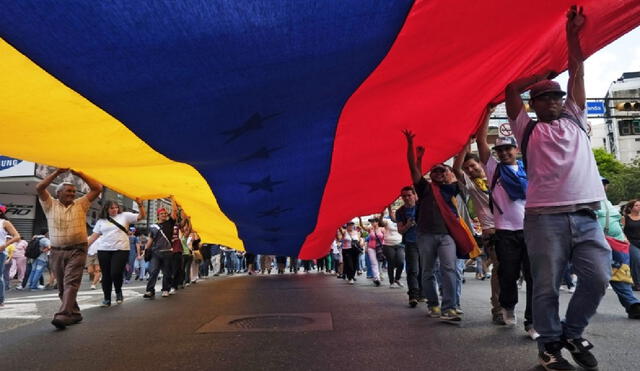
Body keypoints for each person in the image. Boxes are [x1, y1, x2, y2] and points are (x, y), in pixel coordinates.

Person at [505, 6, 610, 370]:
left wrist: (572, 35)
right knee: (546, 286)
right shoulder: (527, 130)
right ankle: (549, 346)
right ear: (533, 106)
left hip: (586, 217)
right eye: (544, 98)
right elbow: (509, 89)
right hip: (543, 220)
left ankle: (571, 331)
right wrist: (542, 75)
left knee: (598, 277)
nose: (552, 101)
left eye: (556, 96)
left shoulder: (577, 119)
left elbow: (578, 69)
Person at [476, 118, 537, 340]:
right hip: (505, 232)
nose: (503, 154)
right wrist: (487, 112)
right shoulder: (493, 171)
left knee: (533, 277)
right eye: (499, 151)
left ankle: (533, 321)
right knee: (508, 274)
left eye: (507, 149)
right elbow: (481, 141)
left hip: (531, 230)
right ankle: (508, 305)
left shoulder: (528, 169)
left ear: (516, 149)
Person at [403, 130, 468, 322]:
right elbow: (412, 169)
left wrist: (463, 147)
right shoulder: (424, 188)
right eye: (436, 170)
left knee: (449, 268)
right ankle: (433, 304)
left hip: (447, 235)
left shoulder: (453, 188)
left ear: (447, 173)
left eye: (443, 170)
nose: (439, 173)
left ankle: (450, 307)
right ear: (431, 174)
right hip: (425, 235)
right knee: (428, 270)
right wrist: (414, 151)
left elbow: (457, 168)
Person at [453, 113, 504, 325]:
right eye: (468, 169)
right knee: (499, 269)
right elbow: (456, 168)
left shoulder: (498, 175)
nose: (471, 170)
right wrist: (466, 145)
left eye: (473, 166)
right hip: (492, 231)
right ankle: (498, 308)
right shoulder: (472, 186)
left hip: (515, 228)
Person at [36, 168, 102, 329]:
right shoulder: (49, 204)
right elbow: (39, 188)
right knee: (61, 287)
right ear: (58, 193)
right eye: (68, 191)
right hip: (57, 250)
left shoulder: (81, 204)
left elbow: (97, 188)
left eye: (74, 191)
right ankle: (75, 313)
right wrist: (57, 173)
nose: (72, 193)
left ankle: (63, 314)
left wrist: (80, 174)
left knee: (71, 282)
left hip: (78, 249)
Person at [88, 198, 145, 306]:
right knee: (106, 275)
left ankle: (118, 291)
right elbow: (93, 237)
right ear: (106, 209)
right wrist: (83, 247)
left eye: (116, 207)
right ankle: (107, 299)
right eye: (111, 208)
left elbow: (141, 216)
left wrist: (140, 205)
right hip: (104, 250)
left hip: (121, 249)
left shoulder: (125, 216)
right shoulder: (101, 221)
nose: (114, 210)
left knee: (115, 272)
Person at [598, 179, 640, 319]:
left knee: (620, 273)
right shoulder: (584, 201)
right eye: (600, 183)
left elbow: (615, 221)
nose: (603, 186)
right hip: (597, 243)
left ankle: (632, 305)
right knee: (594, 277)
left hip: (617, 242)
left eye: (604, 184)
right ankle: (584, 306)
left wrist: (622, 238)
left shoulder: (607, 202)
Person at [144, 198, 178, 299]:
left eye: (165, 214)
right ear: (158, 215)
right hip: (156, 253)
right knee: (153, 271)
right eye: (162, 214)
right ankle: (150, 290)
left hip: (167, 252)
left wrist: (173, 200)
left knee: (167, 272)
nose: (164, 215)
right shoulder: (153, 227)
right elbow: (150, 239)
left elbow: (174, 211)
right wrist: (145, 250)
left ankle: (166, 289)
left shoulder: (170, 223)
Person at [396, 186, 422, 307]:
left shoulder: (422, 207)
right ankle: (413, 296)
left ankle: (423, 293)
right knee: (413, 269)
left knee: (424, 269)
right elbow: (400, 230)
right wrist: (408, 225)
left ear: (414, 195)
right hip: (411, 242)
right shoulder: (400, 211)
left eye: (409, 195)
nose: (406, 198)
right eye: (404, 196)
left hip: (424, 242)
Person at [380, 208, 405, 289]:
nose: (394, 214)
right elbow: (381, 223)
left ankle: (397, 279)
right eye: (392, 212)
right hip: (388, 245)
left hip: (400, 244)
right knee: (391, 262)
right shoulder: (387, 221)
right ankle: (391, 282)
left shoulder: (401, 221)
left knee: (401, 262)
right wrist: (382, 215)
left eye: (395, 212)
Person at [622, 199, 640, 291]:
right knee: (637, 259)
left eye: (639, 205)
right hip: (631, 242)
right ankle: (637, 284)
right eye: (636, 205)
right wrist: (625, 239)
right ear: (631, 208)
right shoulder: (625, 218)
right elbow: (621, 230)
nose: (639, 207)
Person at [360, 216, 383, 286]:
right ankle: (377, 278)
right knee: (374, 263)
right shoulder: (370, 229)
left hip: (380, 248)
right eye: (371, 222)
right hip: (371, 248)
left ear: (377, 222)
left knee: (379, 263)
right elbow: (362, 227)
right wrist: (360, 219)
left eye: (373, 221)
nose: (372, 223)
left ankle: (378, 276)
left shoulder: (382, 229)